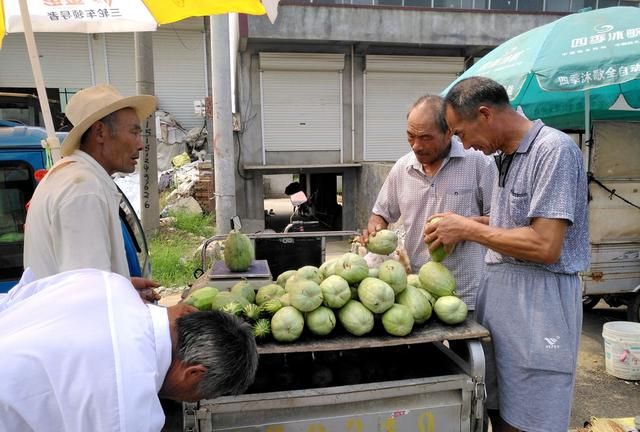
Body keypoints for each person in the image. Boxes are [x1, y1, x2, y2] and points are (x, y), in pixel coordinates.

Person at [425, 76, 589, 432]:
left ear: (484, 114)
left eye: (460, 132)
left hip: (540, 301)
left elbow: (545, 245)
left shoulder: (553, 151)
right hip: (499, 295)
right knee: (497, 409)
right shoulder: (504, 156)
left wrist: (469, 230)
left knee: (532, 417)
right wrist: (466, 223)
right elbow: (513, 222)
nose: (464, 145)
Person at [0, 268, 258, 431]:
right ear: (194, 374)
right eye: (202, 396)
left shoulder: (108, 282)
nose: (191, 401)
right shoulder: (131, 414)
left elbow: (11, 301)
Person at [23, 84, 160, 300]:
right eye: (134, 132)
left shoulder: (78, 177)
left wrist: (123, 286)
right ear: (100, 132)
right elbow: (89, 296)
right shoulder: (83, 188)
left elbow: (88, 281)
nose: (140, 145)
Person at [362, 94, 495, 309]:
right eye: (410, 136)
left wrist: (464, 227)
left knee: (470, 343)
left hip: (467, 293)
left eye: (425, 138)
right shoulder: (402, 168)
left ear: (449, 132)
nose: (416, 146)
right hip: (418, 294)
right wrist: (376, 228)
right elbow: (381, 214)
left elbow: (500, 222)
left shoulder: (479, 163)